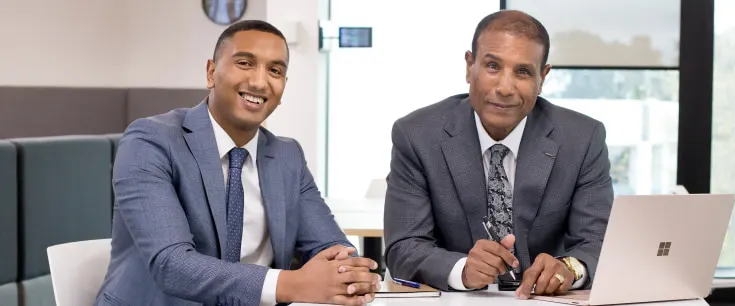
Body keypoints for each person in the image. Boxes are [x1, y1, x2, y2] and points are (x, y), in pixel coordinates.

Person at [96, 20, 380, 306]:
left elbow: (329, 245)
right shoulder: (151, 141)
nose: (259, 81)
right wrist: (290, 284)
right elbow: (172, 265)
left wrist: (349, 273)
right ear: (211, 72)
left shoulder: (287, 155)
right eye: (245, 63)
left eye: (275, 71)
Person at [383, 10, 613, 299]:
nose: (505, 88)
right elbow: (403, 247)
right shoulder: (416, 135)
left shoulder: (582, 139)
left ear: (543, 77)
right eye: (493, 66)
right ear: (470, 66)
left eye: (523, 72)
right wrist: (462, 269)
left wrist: (569, 268)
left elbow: (599, 242)